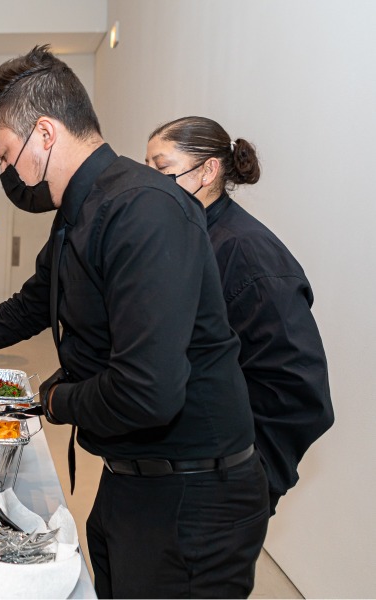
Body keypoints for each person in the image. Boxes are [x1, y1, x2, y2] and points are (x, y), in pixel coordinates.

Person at [0, 46, 268, 598]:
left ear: (44, 133)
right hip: (131, 475)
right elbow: (29, 306)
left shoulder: (143, 209)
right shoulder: (83, 211)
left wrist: (54, 401)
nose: (5, 173)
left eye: (3, 155)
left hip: (191, 495)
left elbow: (149, 392)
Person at [145, 116, 334, 516]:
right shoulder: (189, 236)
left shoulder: (246, 253)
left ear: (208, 170)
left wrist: (248, 477)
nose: (149, 184)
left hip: (220, 487)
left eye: (162, 169)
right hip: (176, 470)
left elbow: (299, 390)